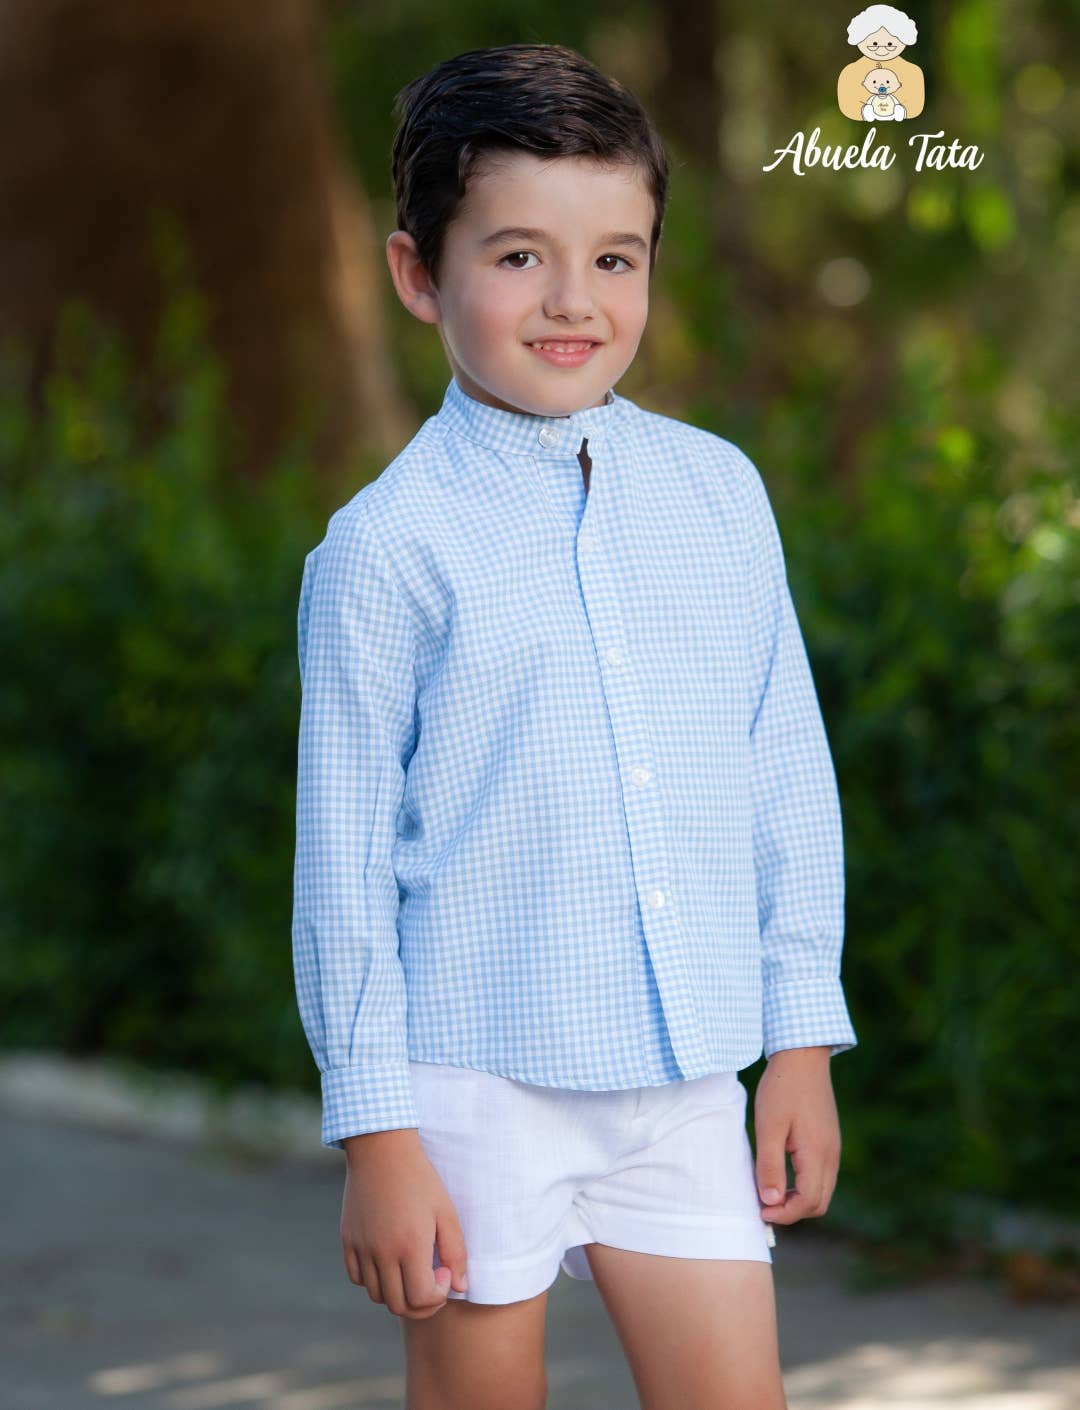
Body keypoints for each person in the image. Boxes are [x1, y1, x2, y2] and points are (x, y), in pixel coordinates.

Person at [291, 41, 858, 1410]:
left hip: (683, 1080)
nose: (572, 300)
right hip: (475, 1083)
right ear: (418, 273)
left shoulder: (719, 495)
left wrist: (799, 1039)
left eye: (615, 258)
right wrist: (378, 1133)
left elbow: (784, 773)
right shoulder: (386, 547)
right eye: (517, 256)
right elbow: (343, 861)